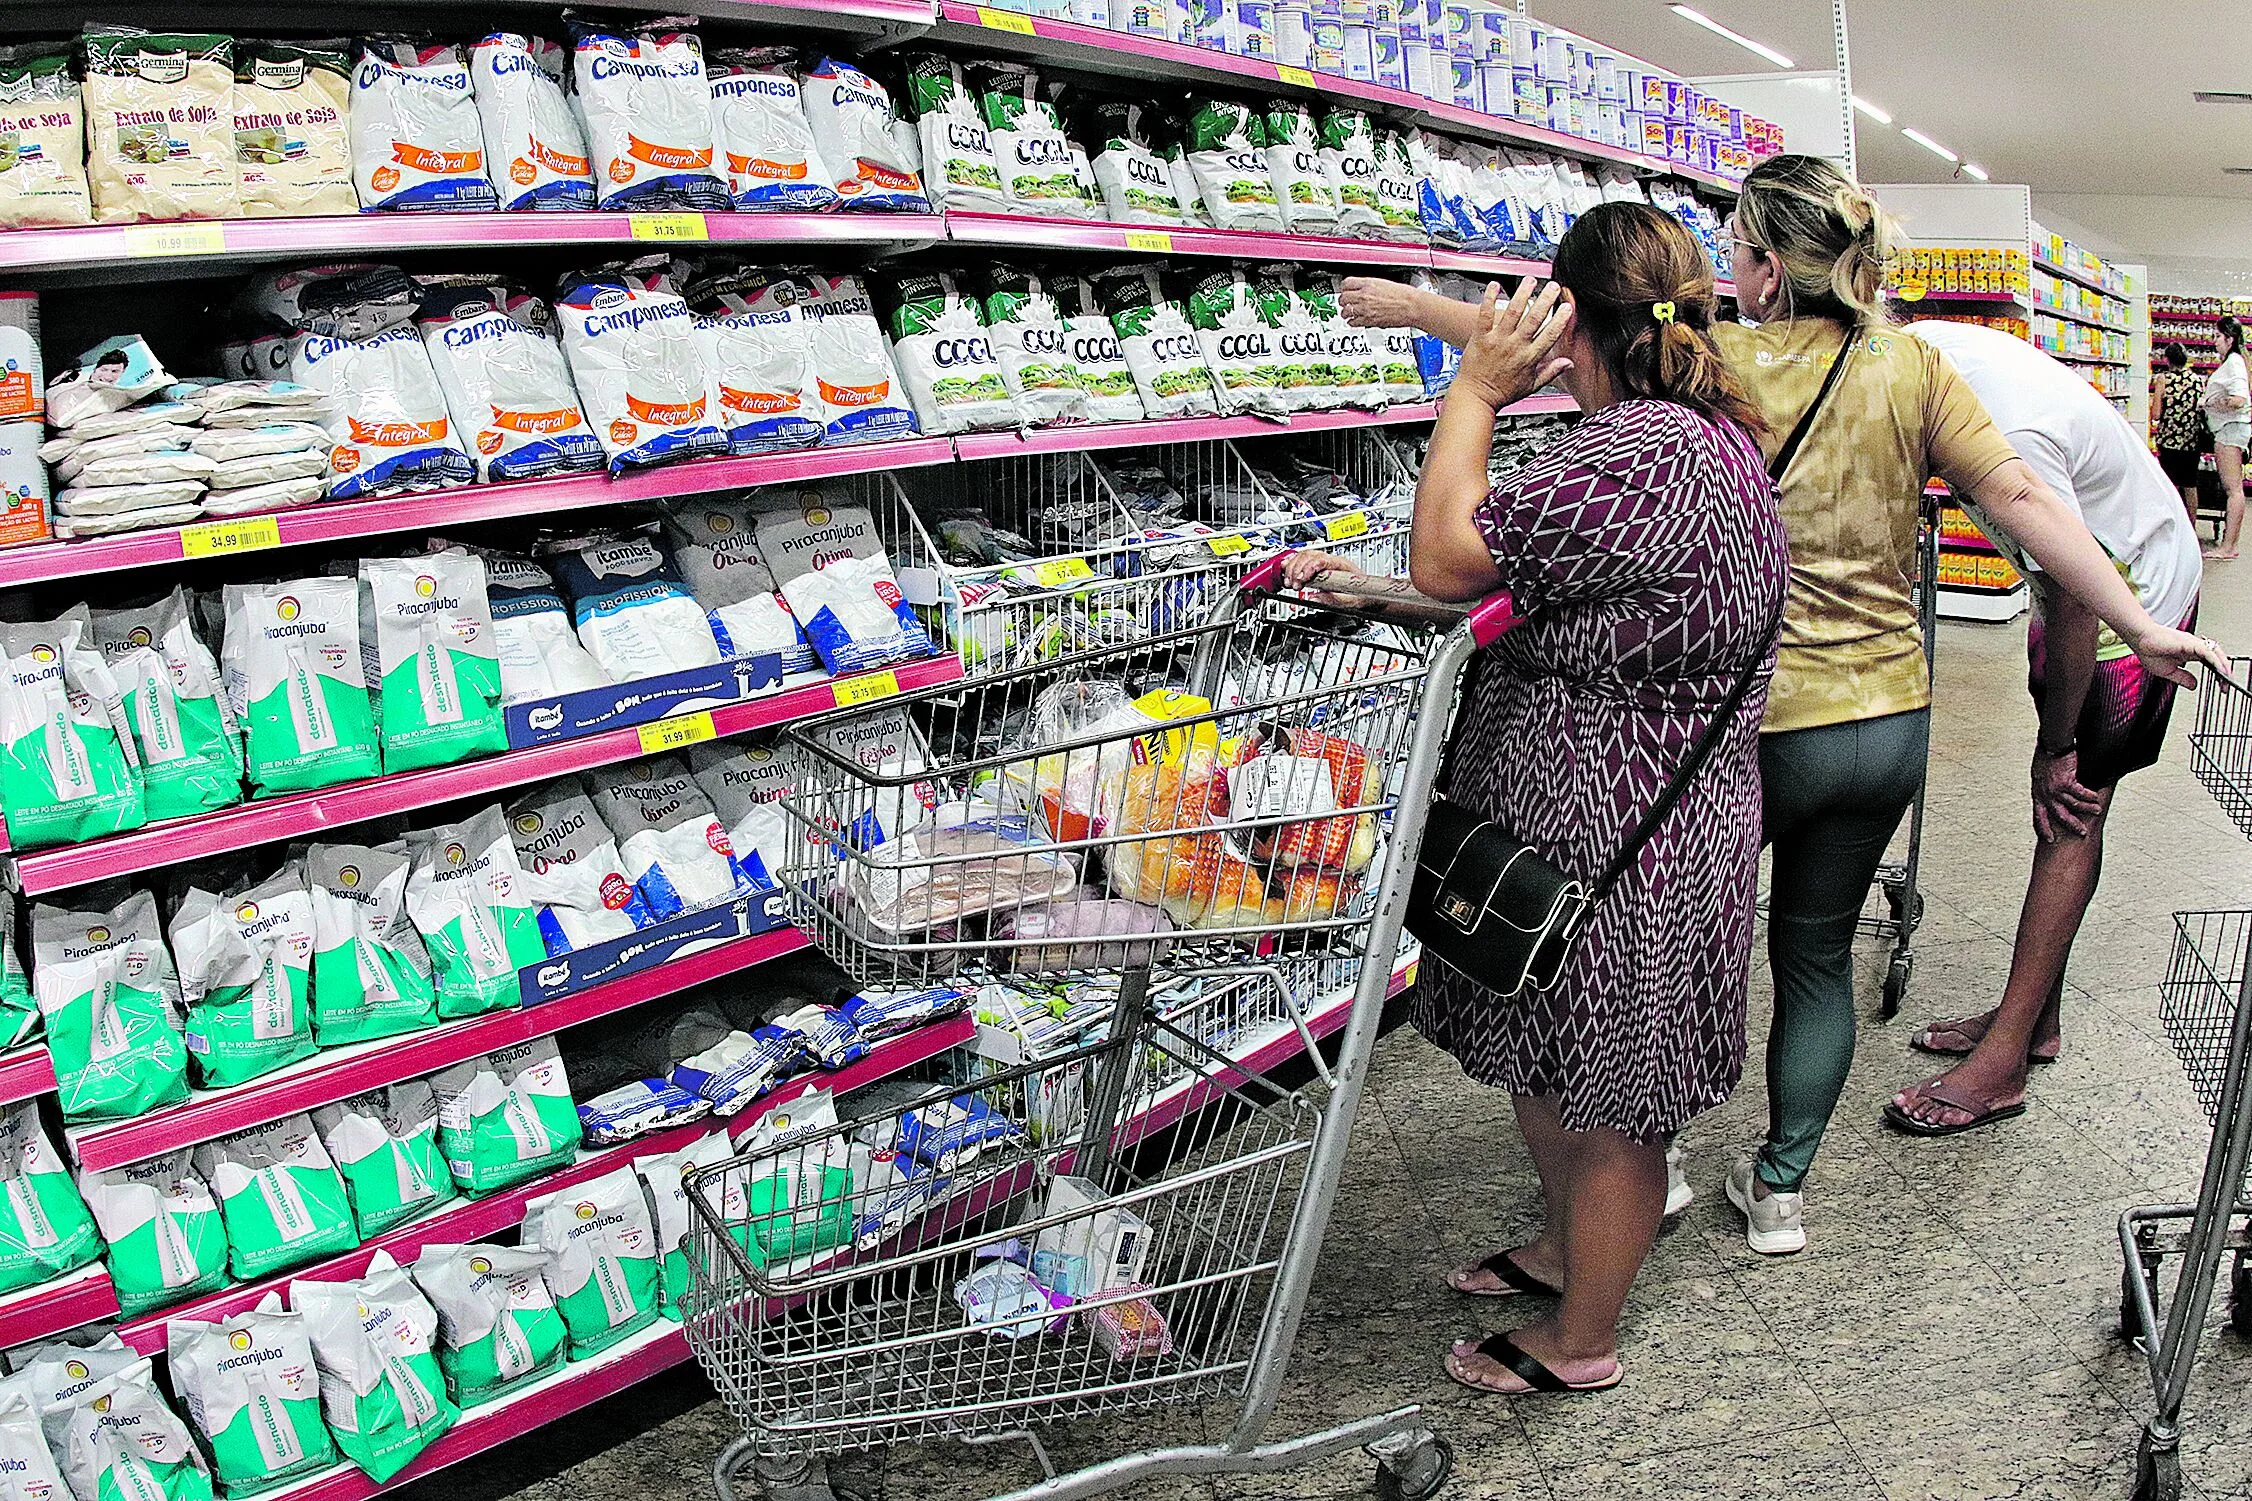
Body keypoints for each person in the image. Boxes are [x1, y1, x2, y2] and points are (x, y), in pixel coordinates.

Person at [1338, 153, 2229, 1258]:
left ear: (1758, 267)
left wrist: (1418, 314)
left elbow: (1576, 349)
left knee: (1650, 955)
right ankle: (1779, 1190)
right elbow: (2021, 497)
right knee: (1815, 956)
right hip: (1887, 720)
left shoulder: (1720, 371)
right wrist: (2138, 623)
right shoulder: (1911, 366)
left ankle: (1633, 1173)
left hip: (1749, 727)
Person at [1286, 200, 1789, 1395]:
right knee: (1554, 1050)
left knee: (1612, 1088)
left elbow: (1452, 556)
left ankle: (1582, 1341)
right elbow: (1548, 590)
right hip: (1587, 825)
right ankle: (1565, 1249)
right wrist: (1375, 597)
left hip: (1628, 835)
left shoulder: (1646, 447)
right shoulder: (1682, 431)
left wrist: (1468, 391)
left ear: (1571, 320)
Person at [1885, 319, 2203, 1133]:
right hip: (2086, 586)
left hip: (2132, 599)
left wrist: (2054, 746)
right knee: (2060, 801)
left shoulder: (1999, 432)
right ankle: (2032, 1022)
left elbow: (2072, 599)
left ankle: (2001, 1069)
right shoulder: (1921, 354)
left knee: (2070, 806)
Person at [2201, 316, 2248, 559]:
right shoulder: (2233, 362)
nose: (2215, 341)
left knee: (2233, 490)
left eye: (2218, 336)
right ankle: (2229, 545)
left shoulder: (2234, 363)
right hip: (2227, 429)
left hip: (2230, 429)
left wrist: (2214, 403)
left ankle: (2228, 546)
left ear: (2229, 339)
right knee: (2233, 488)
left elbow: (2239, 400)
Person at [2153, 343, 2207, 526]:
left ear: (2167, 360)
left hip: (2169, 440)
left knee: (2171, 484)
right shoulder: (2196, 379)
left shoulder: (2163, 379)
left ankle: (2174, 525)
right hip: (2191, 440)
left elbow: (2156, 414)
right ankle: (2191, 525)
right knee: (2190, 484)